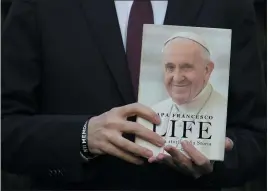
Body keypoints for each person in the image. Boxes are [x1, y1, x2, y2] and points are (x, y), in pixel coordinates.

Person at [1, 0, 266, 190]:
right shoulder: (40, 6)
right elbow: (6, 127)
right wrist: (83, 136)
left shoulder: (229, 5)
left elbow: (255, 138)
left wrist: (216, 162)